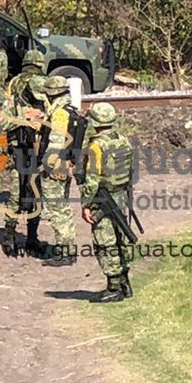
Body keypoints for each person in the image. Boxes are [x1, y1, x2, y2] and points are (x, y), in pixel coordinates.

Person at [80, 101, 136, 302]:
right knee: (121, 239)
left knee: (105, 242)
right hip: (121, 195)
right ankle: (124, 283)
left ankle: (114, 287)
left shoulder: (96, 146)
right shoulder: (123, 140)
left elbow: (92, 179)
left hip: (103, 198)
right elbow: (130, 170)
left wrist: (86, 204)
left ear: (95, 122)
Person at [0, 50, 48, 257]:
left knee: (34, 195)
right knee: (18, 194)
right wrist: (26, 119)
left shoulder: (43, 88)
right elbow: (3, 122)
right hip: (20, 149)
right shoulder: (15, 90)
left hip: (37, 149)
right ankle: (10, 236)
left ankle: (30, 237)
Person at [37, 74, 79, 266]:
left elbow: (56, 140)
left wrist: (46, 165)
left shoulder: (60, 113)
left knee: (56, 210)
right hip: (66, 164)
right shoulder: (71, 109)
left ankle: (64, 252)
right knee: (63, 208)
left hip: (55, 167)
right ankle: (68, 249)